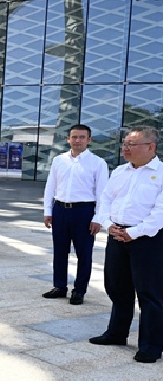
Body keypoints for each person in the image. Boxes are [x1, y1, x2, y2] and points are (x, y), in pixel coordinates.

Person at [88, 126, 162, 363]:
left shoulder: (161, 173)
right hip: (117, 236)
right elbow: (106, 200)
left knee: (149, 294)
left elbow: (160, 213)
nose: (126, 148)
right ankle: (117, 333)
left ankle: (150, 346)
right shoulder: (120, 171)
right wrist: (109, 224)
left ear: (151, 147)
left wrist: (134, 232)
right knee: (117, 288)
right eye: (125, 144)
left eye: (132, 144)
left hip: (147, 240)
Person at [41, 124, 109, 305]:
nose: (77, 140)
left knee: (84, 254)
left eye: (82, 137)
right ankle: (59, 286)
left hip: (84, 212)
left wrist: (98, 218)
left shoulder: (98, 163)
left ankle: (79, 290)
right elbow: (50, 186)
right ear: (68, 139)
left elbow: (103, 194)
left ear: (89, 140)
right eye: (74, 137)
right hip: (60, 209)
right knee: (59, 251)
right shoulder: (59, 160)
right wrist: (48, 211)